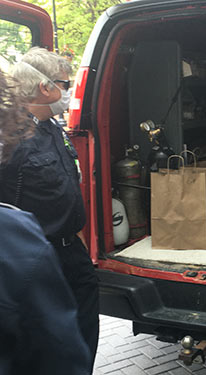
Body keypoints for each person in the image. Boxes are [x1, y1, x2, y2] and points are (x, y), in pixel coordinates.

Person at [0, 47, 99, 371]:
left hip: (73, 253)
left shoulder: (53, 126)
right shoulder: (14, 140)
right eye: (64, 84)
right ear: (44, 86)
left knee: (84, 333)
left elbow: (66, 187)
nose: (67, 92)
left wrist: (80, 236)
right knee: (52, 344)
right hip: (39, 259)